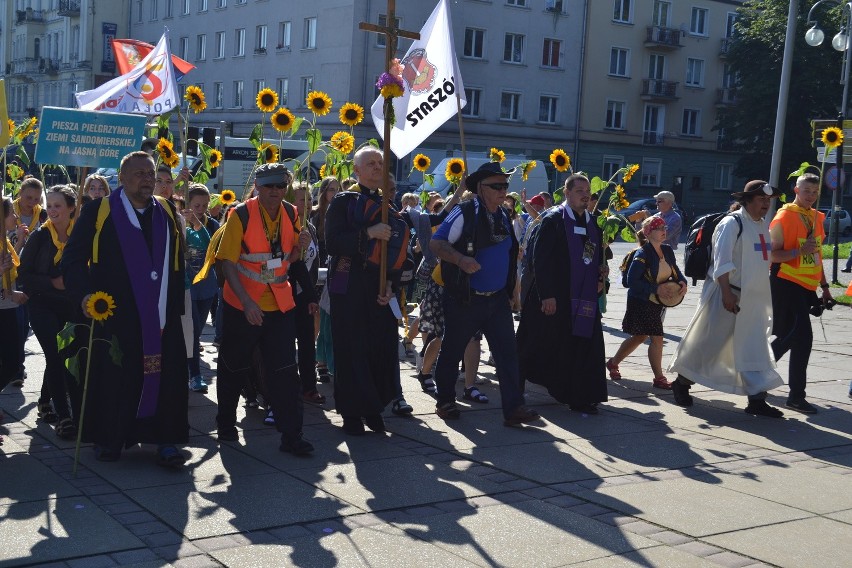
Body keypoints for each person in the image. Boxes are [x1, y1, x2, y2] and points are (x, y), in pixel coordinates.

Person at [62, 151, 189, 467]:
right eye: (139, 173)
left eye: (151, 174)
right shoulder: (99, 211)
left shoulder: (167, 212)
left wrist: (176, 310)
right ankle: (110, 438)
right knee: (116, 379)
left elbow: (176, 265)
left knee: (167, 377)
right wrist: (83, 297)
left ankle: (166, 440)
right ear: (122, 177)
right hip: (115, 315)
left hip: (160, 316)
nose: (147, 179)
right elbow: (74, 260)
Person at [214, 163, 315, 455]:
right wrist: (246, 303)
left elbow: (289, 258)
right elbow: (227, 262)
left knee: (285, 371)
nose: (275, 191)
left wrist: (301, 246)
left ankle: (292, 436)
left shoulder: (292, 213)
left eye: (280, 186)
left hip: (279, 304)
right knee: (234, 366)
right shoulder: (240, 215)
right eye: (269, 186)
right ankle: (225, 422)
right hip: (243, 305)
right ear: (257, 186)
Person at [429, 162, 540, 425]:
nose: (504, 191)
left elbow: (510, 256)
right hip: (465, 298)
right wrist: (460, 260)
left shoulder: (503, 215)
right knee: (452, 350)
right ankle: (445, 401)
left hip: (497, 300)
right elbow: (436, 243)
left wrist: (513, 291)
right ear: (480, 188)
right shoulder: (464, 212)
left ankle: (514, 408)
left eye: (505, 185)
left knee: (508, 354)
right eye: (497, 186)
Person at [668, 181, 785, 416]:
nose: (765, 205)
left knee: (755, 347)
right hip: (728, 294)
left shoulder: (762, 225)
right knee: (709, 343)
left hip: (754, 300)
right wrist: (726, 294)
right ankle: (681, 382)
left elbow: (764, 258)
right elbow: (721, 262)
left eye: (768, 200)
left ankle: (757, 399)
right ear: (747, 200)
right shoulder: (732, 224)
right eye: (761, 199)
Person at [324, 147, 405, 434]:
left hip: (378, 289)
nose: (377, 167)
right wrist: (368, 233)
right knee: (351, 348)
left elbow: (396, 252)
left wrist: (390, 286)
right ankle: (351, 413)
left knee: (378, 348)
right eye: (370, 163)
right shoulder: (344, 202)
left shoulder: (389, 204)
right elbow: (332, 243)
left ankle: (373, 408)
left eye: (381, 163)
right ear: (356, 170)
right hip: (349, 285)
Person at [517, 174, 609, 413]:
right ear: (567, 194)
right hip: (553, 296)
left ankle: (581, 396)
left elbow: (593, 255)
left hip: (583, 297)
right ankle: (514, 389)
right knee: (536, 345)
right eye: (579, 190)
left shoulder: (592, 223)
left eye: (587, 191)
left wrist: (600, 275)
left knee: (584, 346)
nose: (585, 194)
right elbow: (540, 259)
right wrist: (547, 294)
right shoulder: (553, 220)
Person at [18, 186, 83, 439]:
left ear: (71, 208)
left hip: (69, 305)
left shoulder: (80, 236)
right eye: (50, 205)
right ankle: (65, 417)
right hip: (42, 303)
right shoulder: (39, 237)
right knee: (56, 357)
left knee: (69, 357)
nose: (52, 210)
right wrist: (51, 282)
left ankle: (48, 403)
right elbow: (24, 276)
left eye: (58, 205)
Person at [769, 172, 832, 414]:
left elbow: (816, 256)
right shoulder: (784, 216)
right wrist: (798, 250)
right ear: (796, 190)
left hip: (806, 287)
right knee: (801, 338)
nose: (811, 196)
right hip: (785, 282)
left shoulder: (816, 217)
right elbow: (773, 256)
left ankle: (754, 376)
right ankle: (795, 396)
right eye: (806, 191)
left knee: (791, 338)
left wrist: (824, 287)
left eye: (815, 192)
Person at [606, 216, 687, 390]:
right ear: (649, 233)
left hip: (657, 302)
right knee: (657, 337)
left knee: (640, 336)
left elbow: (676, 271)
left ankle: (613, 363)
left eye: (664, 227)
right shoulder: (642, 253)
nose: (664, 231)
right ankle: (659, 378)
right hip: (641, 301)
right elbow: (631, 281)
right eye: (659, 228)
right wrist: (655, 289)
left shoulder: (667, 250)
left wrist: (682, 282)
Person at [182, 183, 220, 394]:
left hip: (206, 286)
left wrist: (197, 222)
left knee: (195, 334)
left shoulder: (212, 224)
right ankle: (195, 374)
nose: (201, 209)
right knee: (193, 329)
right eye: (196, 205)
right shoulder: (179, 222)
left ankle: (191, 371)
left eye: (205, 205)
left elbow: (213, 249)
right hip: (187, 286)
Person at [291, 181, 325, 405]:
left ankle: (309, 387)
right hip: (286, 294)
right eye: (302, 199)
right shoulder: (287, 225)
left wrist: (313, 295)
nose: (307, 203)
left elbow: (313, 264)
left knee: (306, 343)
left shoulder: (310, 227)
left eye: (310, 198)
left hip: (306, 296)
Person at [0, 198, 27, 398]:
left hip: (7, 306)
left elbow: (10, 268)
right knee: (10, 362)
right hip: (3, 308)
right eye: (11, 213)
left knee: (12, 362)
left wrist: (19, 242)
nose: (16, 216)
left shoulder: (4, 241)